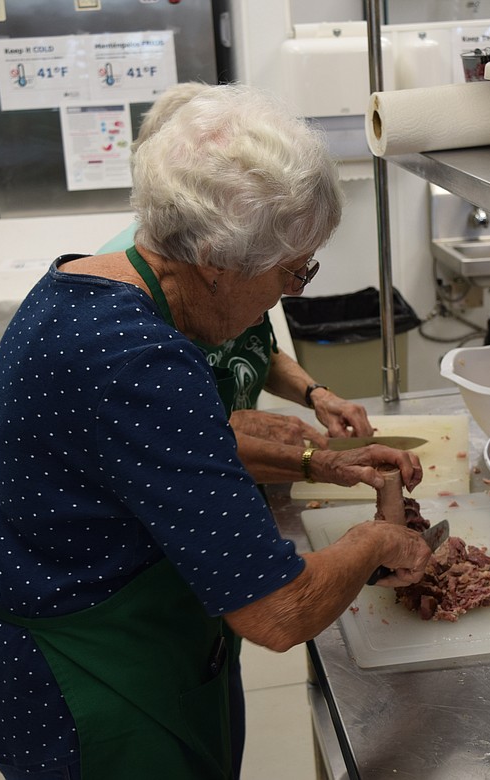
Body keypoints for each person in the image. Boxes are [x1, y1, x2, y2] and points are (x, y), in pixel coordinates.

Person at [0, 83, 433, 780]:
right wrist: (380, 538)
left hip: (69, 619)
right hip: (92, 677)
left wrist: (319, 459)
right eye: (291, 273)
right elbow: (277, 612)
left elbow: (182, 454)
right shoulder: (140, 360)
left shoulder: (82, 285)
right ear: (215, 260)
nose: (286, 296)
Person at [100, 82, 378, 483]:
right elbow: (160, 435)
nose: (294, 287)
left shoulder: (241, 260)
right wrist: (242, 430)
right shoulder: (148, 284)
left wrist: (314, 393)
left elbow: (254, 345)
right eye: (291, 271)